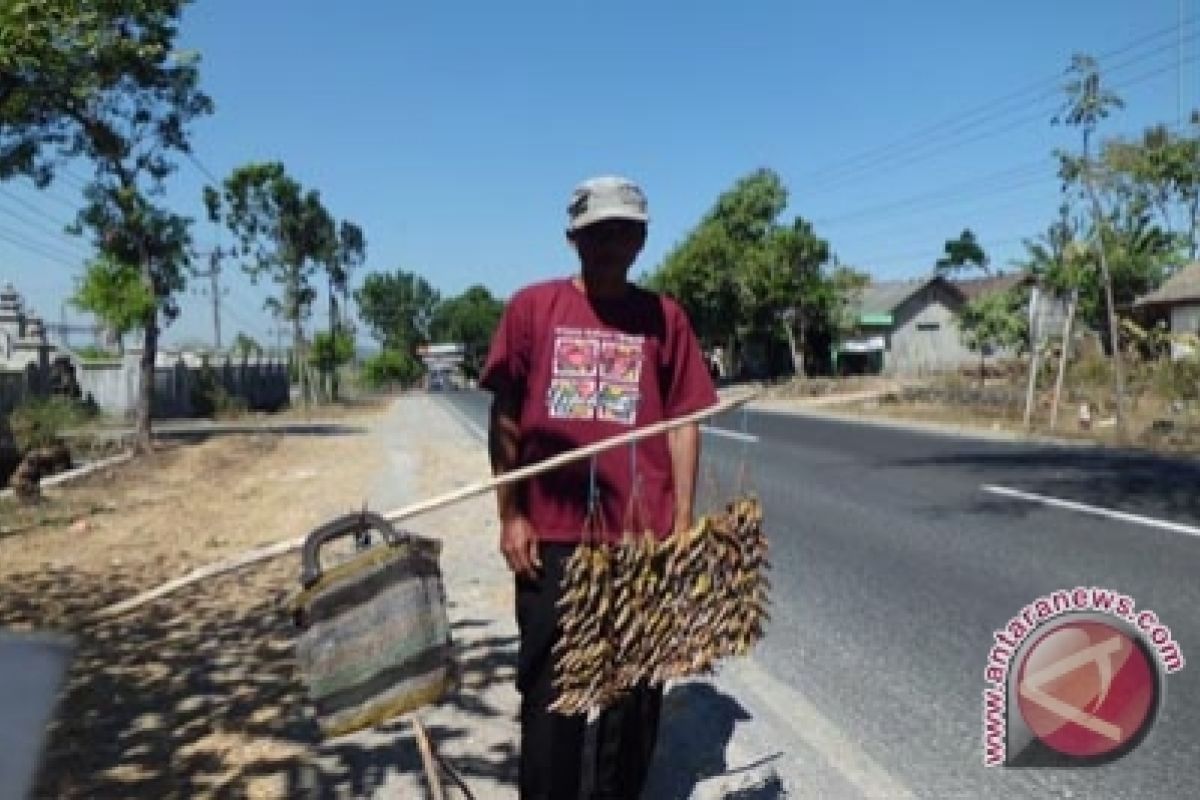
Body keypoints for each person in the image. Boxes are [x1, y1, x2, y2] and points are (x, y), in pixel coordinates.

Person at [479, 176, 718, 799]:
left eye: (623, 232)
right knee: (552, 691)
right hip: (554, 539)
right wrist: (511, 515)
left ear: (641, 239)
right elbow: (505, 417)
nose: (610, 244)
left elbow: (684, 422)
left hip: (641, 540)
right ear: (573, 239)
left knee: (634, 694)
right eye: (597, 233)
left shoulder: (664, 319)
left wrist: (683, 526)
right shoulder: (532, 309)